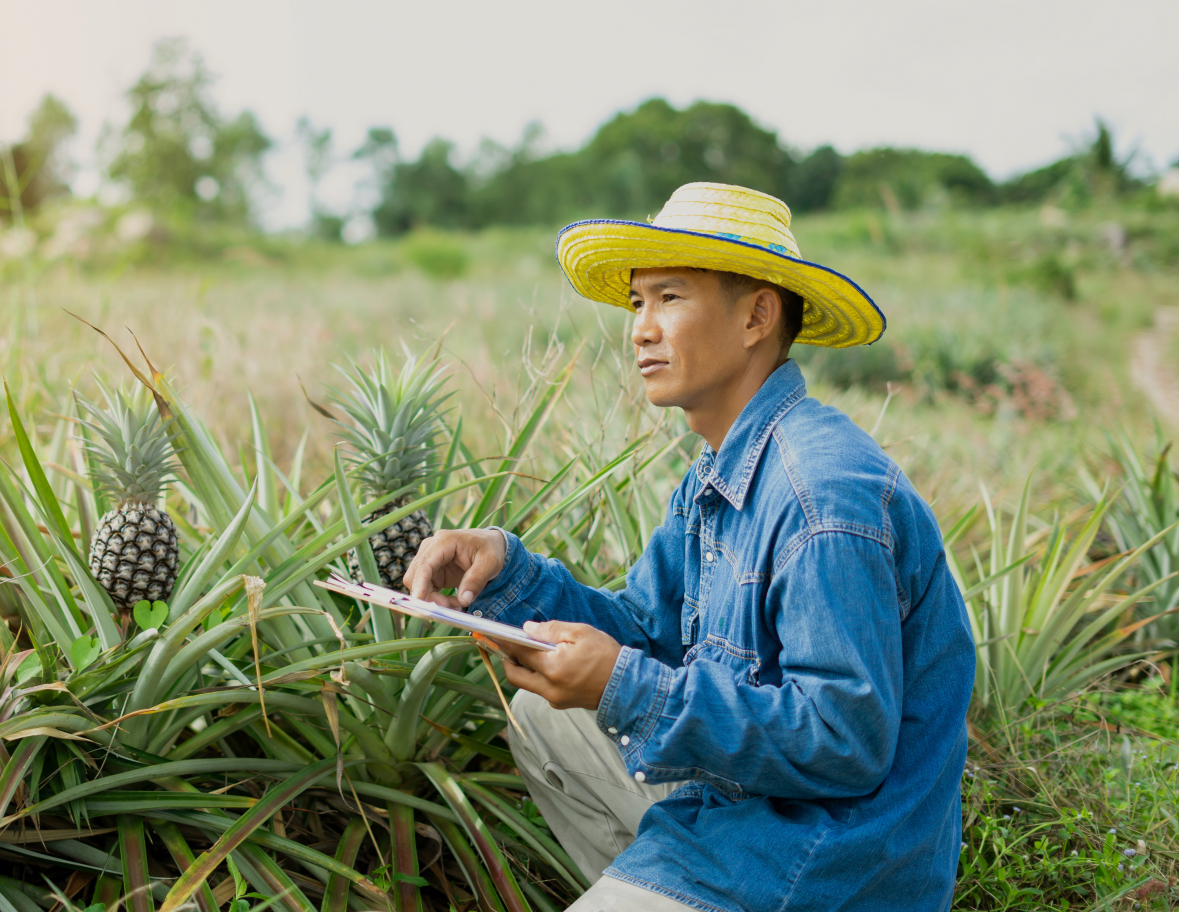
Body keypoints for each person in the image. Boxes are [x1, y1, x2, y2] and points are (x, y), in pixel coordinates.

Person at [404, 183, 975, 912]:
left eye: (669, 297)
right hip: (746, 814)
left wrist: (624, 685)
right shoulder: (717, 472)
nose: (640, 328)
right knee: (548, 714)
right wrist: (507, 571)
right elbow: (646, 630)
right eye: (636, 302)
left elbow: (842, 739)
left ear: (756, 315)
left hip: (828, 862)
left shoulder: (820, 494)